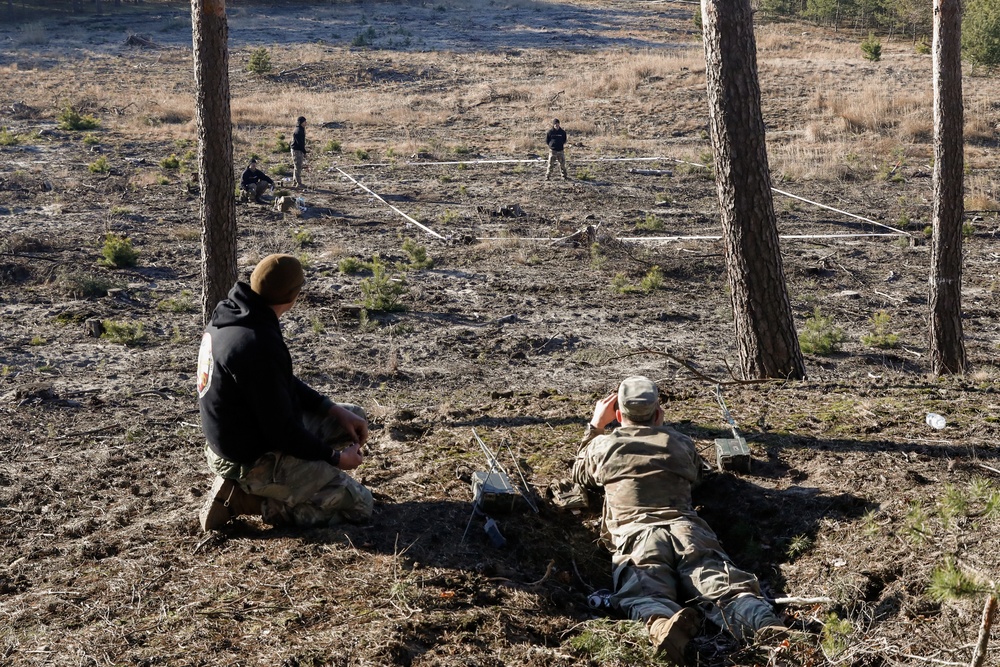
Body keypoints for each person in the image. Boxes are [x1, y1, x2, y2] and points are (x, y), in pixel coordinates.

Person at [572, 376, 789, 663]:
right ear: (659, 413)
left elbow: (579, 473)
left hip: (638, 535)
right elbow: (698, 477)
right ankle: (764, 625)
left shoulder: (603, 446)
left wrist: (596, 426)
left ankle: (663, 627)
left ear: (619, 415)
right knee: (723, 585)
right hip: (688, 530)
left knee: (645, 591)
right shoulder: (680, 443)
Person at [196, 254, 373, 531]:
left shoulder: (236, 314)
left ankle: (282, 483)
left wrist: (331, 408)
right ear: (293, 295)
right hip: (250, 458)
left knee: (351, 416)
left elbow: (279, 383)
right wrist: (336, 459)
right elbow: (282, 431)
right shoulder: (256, 343)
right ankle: (242, 500)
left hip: (242, 436)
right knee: (361, 506)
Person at [291, 116, 307, 188]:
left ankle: (295, 182)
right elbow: (299, 143)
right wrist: (304, 152)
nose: (305, 123)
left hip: (298, 149)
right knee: (298, 166)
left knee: (297, 166)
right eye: (304, 122)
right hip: (297, 150)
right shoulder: (298, 131)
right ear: (301, 122)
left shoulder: (301, 129)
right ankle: (298, 183)